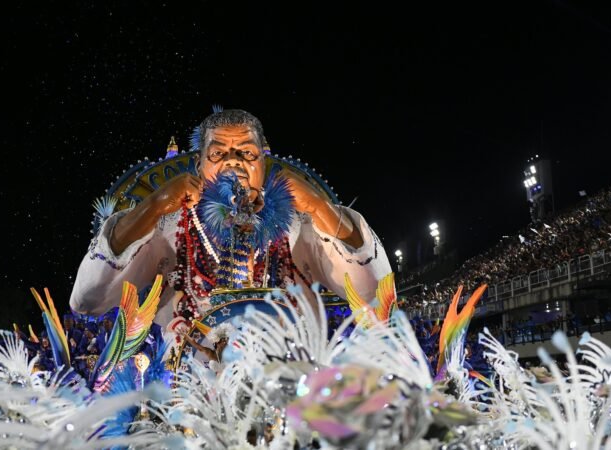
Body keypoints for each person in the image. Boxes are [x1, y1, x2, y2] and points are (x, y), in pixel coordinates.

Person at [70, 109, 391, 346]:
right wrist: (152, 206)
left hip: (289, 397)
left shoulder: (301, 224)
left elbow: (377, 293)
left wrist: (319, 208)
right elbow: (88, 300)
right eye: (218, 153)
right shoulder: (167, 225)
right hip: (189, 399)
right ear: (199, 165)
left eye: (247, 153)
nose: (234, 161)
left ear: (263, 163)